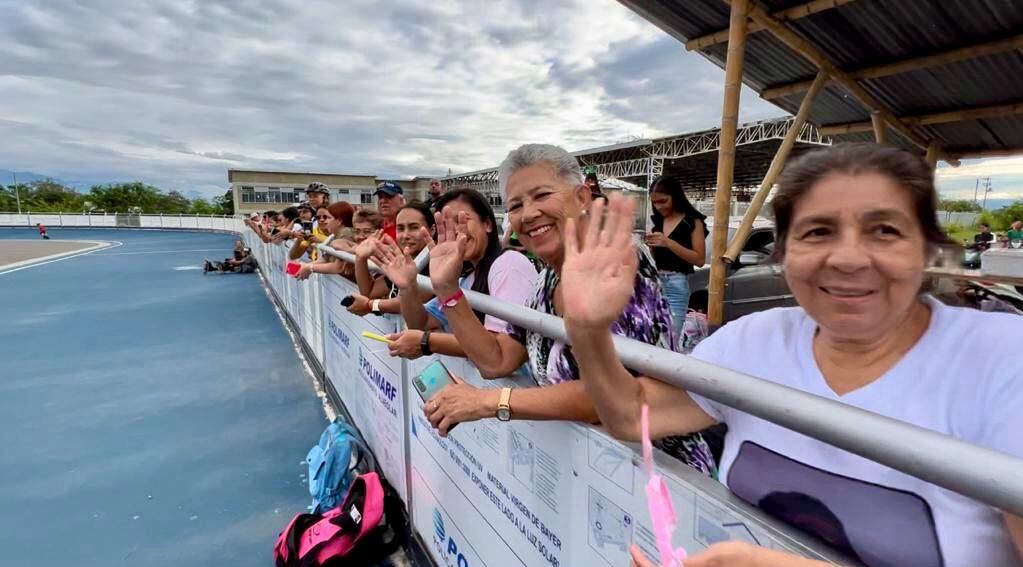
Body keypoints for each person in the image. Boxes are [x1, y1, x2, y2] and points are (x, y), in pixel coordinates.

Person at [564, 145, 1023, 567]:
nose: (847, 258)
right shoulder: (754, 341)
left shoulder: (1001, 361)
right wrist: (587, 330)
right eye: (817, 231)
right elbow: (631, 417)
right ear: (784, 255)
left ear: (927, 249)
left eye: (884, 230)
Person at [403, 144, 715, 477]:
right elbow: (497, 360)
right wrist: (448, 289)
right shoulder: (545, 281)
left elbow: (606, 399)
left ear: (581, 198)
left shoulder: (619, 263)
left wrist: (488, 402)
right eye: (516, 205)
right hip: (592, 475)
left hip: (660, 478)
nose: (528, 214)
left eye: (541, 196)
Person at [372, 188, 537, 362]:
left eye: (462, 220)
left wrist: (427, 342)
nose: (457, 231)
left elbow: (502, 356)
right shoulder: (468, 278)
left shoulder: (509, 265)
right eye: (447, 224)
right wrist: (407, 286)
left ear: (487, 224)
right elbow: (421, 323)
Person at [348, 201, 436, 317]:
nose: (405, 235)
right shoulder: (403, 260)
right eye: (400, 228)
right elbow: (369, 291)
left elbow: (412, 302)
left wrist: (371, 305)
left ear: (432, 230)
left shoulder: (436, 261)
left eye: (414, 227)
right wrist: (360, 258)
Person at [645, 175, 707, 340]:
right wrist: (652, 247)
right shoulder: (658, 220)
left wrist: (668, 243)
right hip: (655, 282)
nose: (658, 207)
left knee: (669, 340)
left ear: (675, 196)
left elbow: (699, 259)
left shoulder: (693, 221)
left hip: (676, 285)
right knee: (651, 338)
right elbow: (658, 258)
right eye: (655, 202)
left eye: (663, 201)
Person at [294, 202, 357, 280]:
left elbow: (339, 266)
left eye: (328, 218)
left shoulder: (346, 233)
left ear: (339, 220)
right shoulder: (334, 235)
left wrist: (310, 268)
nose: (326, 222)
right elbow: (325, 258)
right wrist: (305, 266)